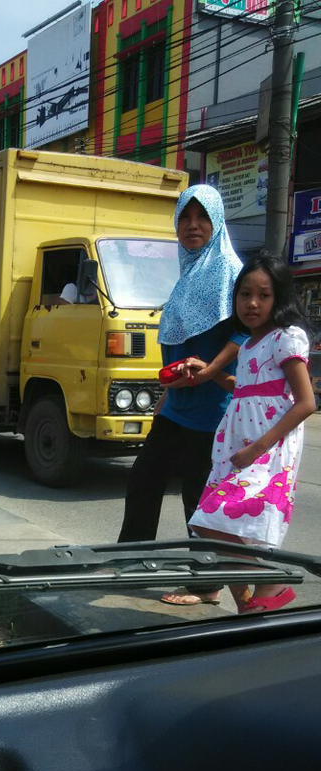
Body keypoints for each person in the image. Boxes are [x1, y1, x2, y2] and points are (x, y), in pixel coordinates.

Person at [117, 183, 247, 607]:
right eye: (185, 219)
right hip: (177, 403)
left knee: (198, 497)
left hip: (213, 407)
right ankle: (130, 563)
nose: (193, 226)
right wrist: (164, 393)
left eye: (202, 218)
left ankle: (206, 584)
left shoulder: (229, 268)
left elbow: (246, 330)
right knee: (144, 478)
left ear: (217, 221)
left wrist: (210, 370)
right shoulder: (190, 271)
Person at [188, 253, 316, 613]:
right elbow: (245, 389)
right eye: (245, 294)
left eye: (264, 294)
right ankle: (252, 603)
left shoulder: (286, 339)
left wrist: (257, 448)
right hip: (237, 446)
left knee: (211, 519)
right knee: (229, 527)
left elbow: (306, 402)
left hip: (267, 448)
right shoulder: (247, 347)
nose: (253, 303)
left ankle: (269, 583)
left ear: (280, 299)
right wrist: (210, 372)